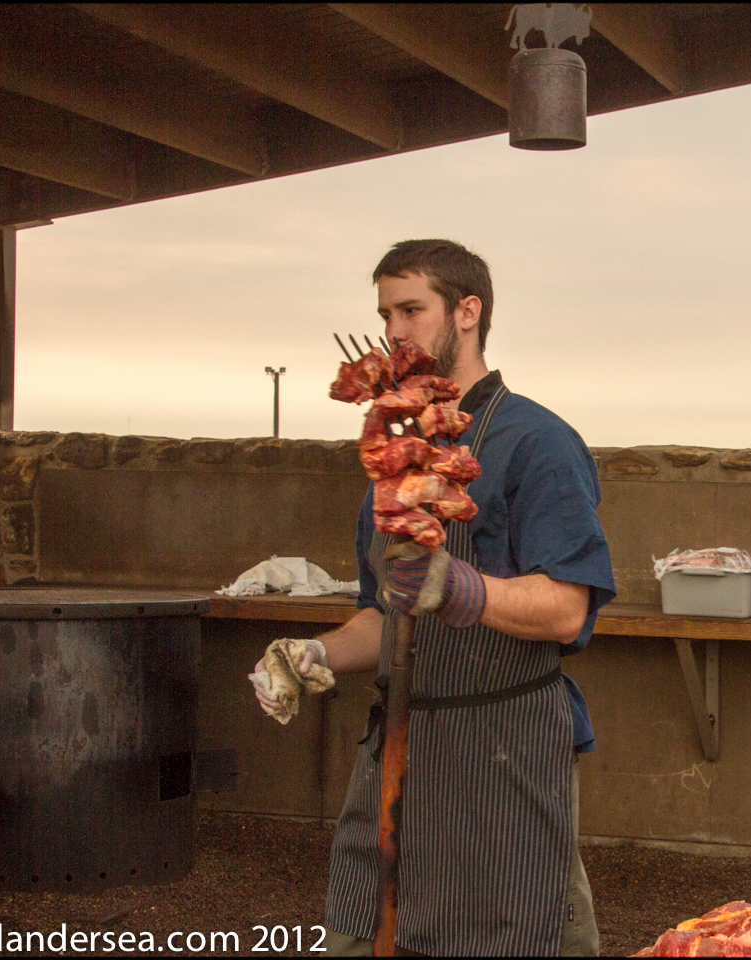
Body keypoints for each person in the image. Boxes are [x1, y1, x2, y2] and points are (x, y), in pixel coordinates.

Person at [252, 239, 615, 955]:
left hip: (504, 759)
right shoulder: (395, 449)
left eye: (412, 309)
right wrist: (311, 653)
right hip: (399, 750)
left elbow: (568, 606)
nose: (394, 331)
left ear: (468, 311)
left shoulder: (537, 442)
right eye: (386, 313)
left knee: (518, 936)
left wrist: (461, 586)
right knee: (366, 931)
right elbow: (383, 612)